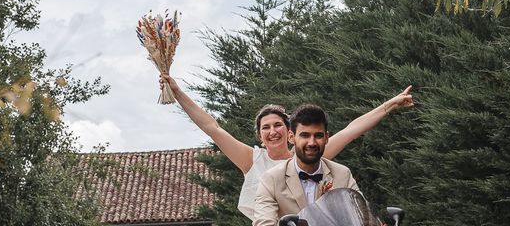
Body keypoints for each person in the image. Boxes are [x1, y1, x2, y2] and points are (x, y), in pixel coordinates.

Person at [160, 74, 412, 219]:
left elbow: (351, 130)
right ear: (260, 136)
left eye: (278, 125)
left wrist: (390, 105)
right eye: (265, 128)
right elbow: (212, 128)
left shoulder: (312, 153)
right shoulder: (252, 160)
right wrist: (178, 91)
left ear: (290, 133)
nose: (272, 131)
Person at [253, 104, 360, 226]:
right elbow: (264, 223)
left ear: (326, 138)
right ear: (291, 137)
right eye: (305, 135)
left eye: (318, 136)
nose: (312, 142)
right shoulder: (270, 179)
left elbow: (361, 215)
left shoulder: (342, 174)